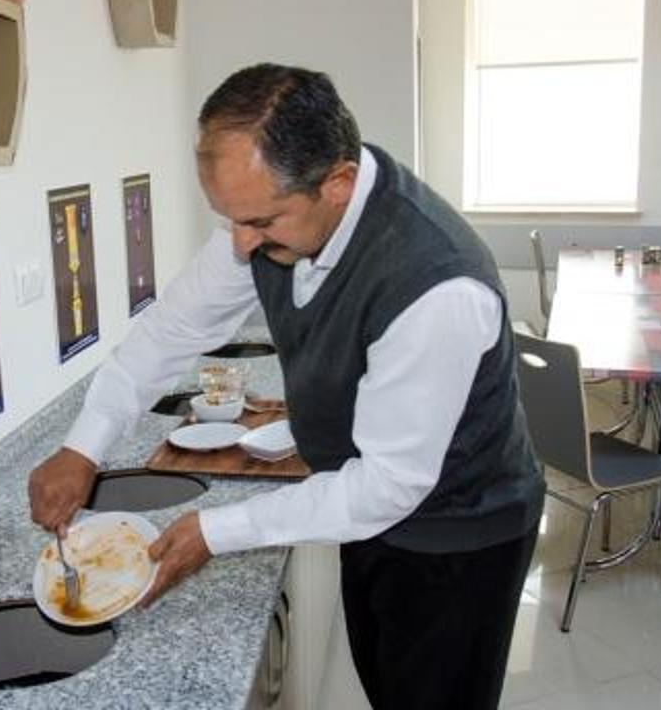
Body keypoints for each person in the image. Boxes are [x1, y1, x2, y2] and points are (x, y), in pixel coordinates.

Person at [28, 63, 544, 710]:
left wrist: (214, 531)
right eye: (230, 219)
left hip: (462, 534)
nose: (242, 243)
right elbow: (169, 331)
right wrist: (83, 445)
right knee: (387, 682)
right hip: (365, 510)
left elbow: (387, 486)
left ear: (338, 184)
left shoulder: (436, 286)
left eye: (260, 222)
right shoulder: (278, 217)